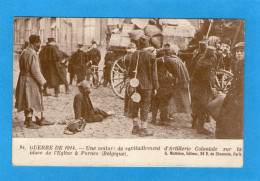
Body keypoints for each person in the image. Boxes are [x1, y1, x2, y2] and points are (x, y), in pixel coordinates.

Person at [128, 36, 159, 137]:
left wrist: (132, 81)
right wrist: (155, 87)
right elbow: (154, 74)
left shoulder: (135, 54)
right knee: (145, 106)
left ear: (139, 45)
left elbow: (130, 71)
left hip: (136, 84)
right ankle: (144, 129)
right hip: (147, 85)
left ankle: (135, 127)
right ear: (148, 45)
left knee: (135, 104)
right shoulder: (151, 56)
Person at [152, 47, 190, 125]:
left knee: (156, 101)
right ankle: (163, 120)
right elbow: (177, 74)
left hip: (159, 83)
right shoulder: (173, 61)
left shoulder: (157, 60)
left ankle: (153, 119)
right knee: (164, 102)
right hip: (168, 84)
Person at [15, 35, 46, 129]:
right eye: (39, 43)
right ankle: (29, 122)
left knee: (25, 99)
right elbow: (35, 71)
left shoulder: (24, 51)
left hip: (22, 78)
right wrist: (42, 82)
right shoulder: (32, 53)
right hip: (30, 80)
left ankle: (26, 119)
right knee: (30, 100)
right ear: (35, 43)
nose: (40, 45)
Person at [216, 42, 244, 139]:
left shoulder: (247, 67)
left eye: (241, 52)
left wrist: (239, 99)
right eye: (237, 52)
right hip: (233, 96)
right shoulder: (238, 64)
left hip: (240, 99)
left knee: (236, 121)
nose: (238, 54)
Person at [191, 46, 217, 135]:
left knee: (196, 104)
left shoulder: (201, 59)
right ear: (211, 53)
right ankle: (200, 128)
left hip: (197, 86)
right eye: (213, 52)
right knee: (203, 106)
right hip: (204, 88)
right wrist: (212, 88)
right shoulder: (207, 63)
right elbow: (207, 78)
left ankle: (194, 123)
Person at [124, 43, 136, 117]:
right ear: (131, 49)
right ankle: (129, 112)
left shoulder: (127, 56)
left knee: (127, 94)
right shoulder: (130, 57)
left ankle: (126, 111)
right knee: (131, 94)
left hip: (127, 76)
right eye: (134, 48)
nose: (135, 49)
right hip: (131, 77)